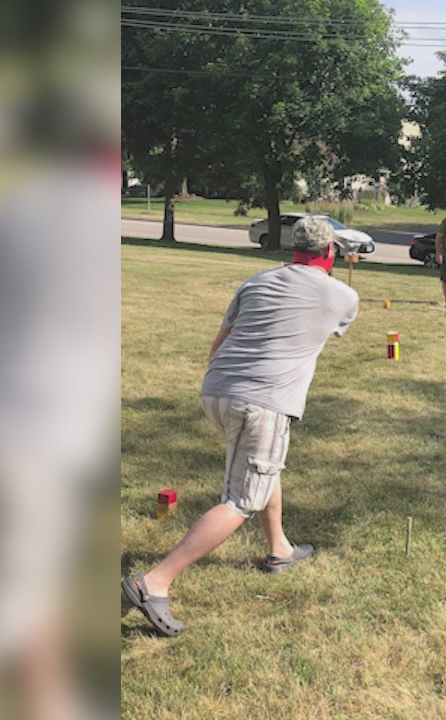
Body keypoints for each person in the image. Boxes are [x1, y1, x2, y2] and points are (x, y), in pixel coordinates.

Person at [121, 216, 359, 637]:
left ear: (293, 248)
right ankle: (154, 581)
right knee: (241, 499)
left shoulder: (256, 283)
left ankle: (279, 549)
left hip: (217, 390)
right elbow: (332, 326)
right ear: (331, 252)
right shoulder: (342, 296)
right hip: (263, 402)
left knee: (265, 466)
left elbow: (220, 342)